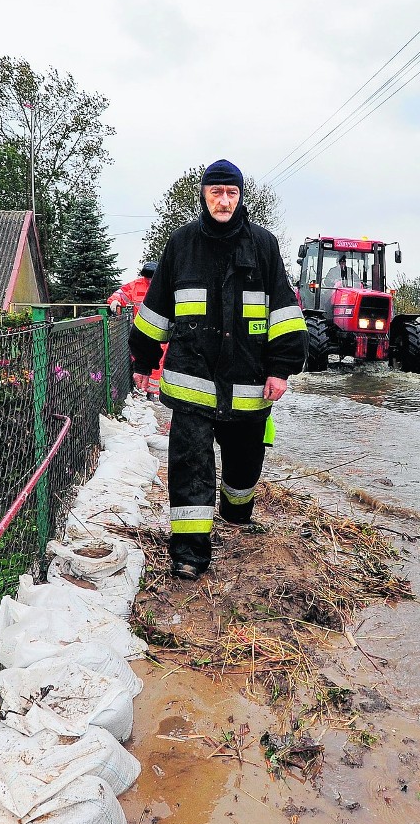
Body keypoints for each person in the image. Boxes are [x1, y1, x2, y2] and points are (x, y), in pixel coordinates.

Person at [128, 159, 308, 580]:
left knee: (243, 466)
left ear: (240, 196)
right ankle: (190, 553)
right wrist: (143, 360)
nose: (223, 201)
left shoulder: (263, 246)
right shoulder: (181, 245)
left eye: (231, 193)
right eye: (216, 193)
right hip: (192, 381)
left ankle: (236, 509)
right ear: (204, 195)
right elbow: (155, 311)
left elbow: (284, 310)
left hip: (248, 384)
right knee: (190, 466)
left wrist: (280, 369)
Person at [108, 261, 165, 398]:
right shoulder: (137, 285)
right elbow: (120, 294)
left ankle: (155, 391)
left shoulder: (164, 285)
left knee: (160, 361)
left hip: (161, 331)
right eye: (148, 277)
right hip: (142, 331)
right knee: (142, 360)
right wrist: (114, 302)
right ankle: (147, 390)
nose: (151, 280)